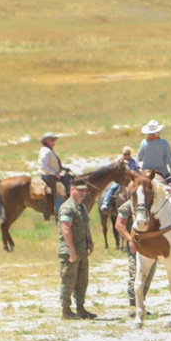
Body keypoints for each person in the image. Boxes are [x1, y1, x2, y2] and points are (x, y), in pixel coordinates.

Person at [115, 189, 157, 317]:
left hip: (150, 246)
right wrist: (130, 239)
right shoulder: (127, 206)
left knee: (149, 275)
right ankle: (133, 304)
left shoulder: (151, 204)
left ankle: (141, 302)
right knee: (135, 273)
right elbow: (119, 224)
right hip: (136, 245)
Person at [58, 179, 95, 320]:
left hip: (82, 250)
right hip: (69, 252)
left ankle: (80, 308)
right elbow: (66, 228)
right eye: (80, 190)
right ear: (72, 189)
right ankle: (66, 310)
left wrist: (90, 242)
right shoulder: (67, 207)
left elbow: (86, 226)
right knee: (68, 280)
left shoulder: (82, 207)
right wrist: (72, 250)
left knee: (82, 280)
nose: (83, 193)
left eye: (84, 190)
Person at [100, 146, 140, 212]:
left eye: (128, 154)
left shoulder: (133, 161)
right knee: (112, 188)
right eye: (125, 154)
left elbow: (137, 169)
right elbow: (114, 167)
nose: (126, 156)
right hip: (121, 179)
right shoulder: (118, 160)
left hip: (130, 180)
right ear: (122, 154)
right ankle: (105, 203)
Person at [38, 131, 66, 219]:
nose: (53, 142)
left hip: (53, 174)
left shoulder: (48, 150)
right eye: (51, 140)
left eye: (53, 140)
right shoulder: (45, 151)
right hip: (49, 176)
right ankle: (59, 213)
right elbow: (42, 166)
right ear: (46, 141)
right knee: (60, 190)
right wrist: (55, 173)